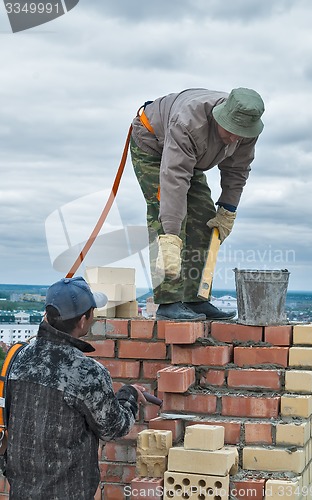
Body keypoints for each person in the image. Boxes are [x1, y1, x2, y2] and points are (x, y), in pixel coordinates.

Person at [130, 87, 265, 321]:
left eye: (241, 133)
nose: (236, 138)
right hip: (153, 144)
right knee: (168, 220)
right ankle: (168, 302)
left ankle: (195, 299)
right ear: (219, 116)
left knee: (204, 219)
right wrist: (171, 233)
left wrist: (227, 210)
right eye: (231, 130)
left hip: (189, 159)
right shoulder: (189, 122)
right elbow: (175, 178)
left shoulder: (247, 130)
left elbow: (237, 170)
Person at [5, 276, 146, 499]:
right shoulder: (85, 371)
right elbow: (114, 428)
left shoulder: (20, 356)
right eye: (92, 312)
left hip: (22, 491)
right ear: (82, 321)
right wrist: (129, 396)